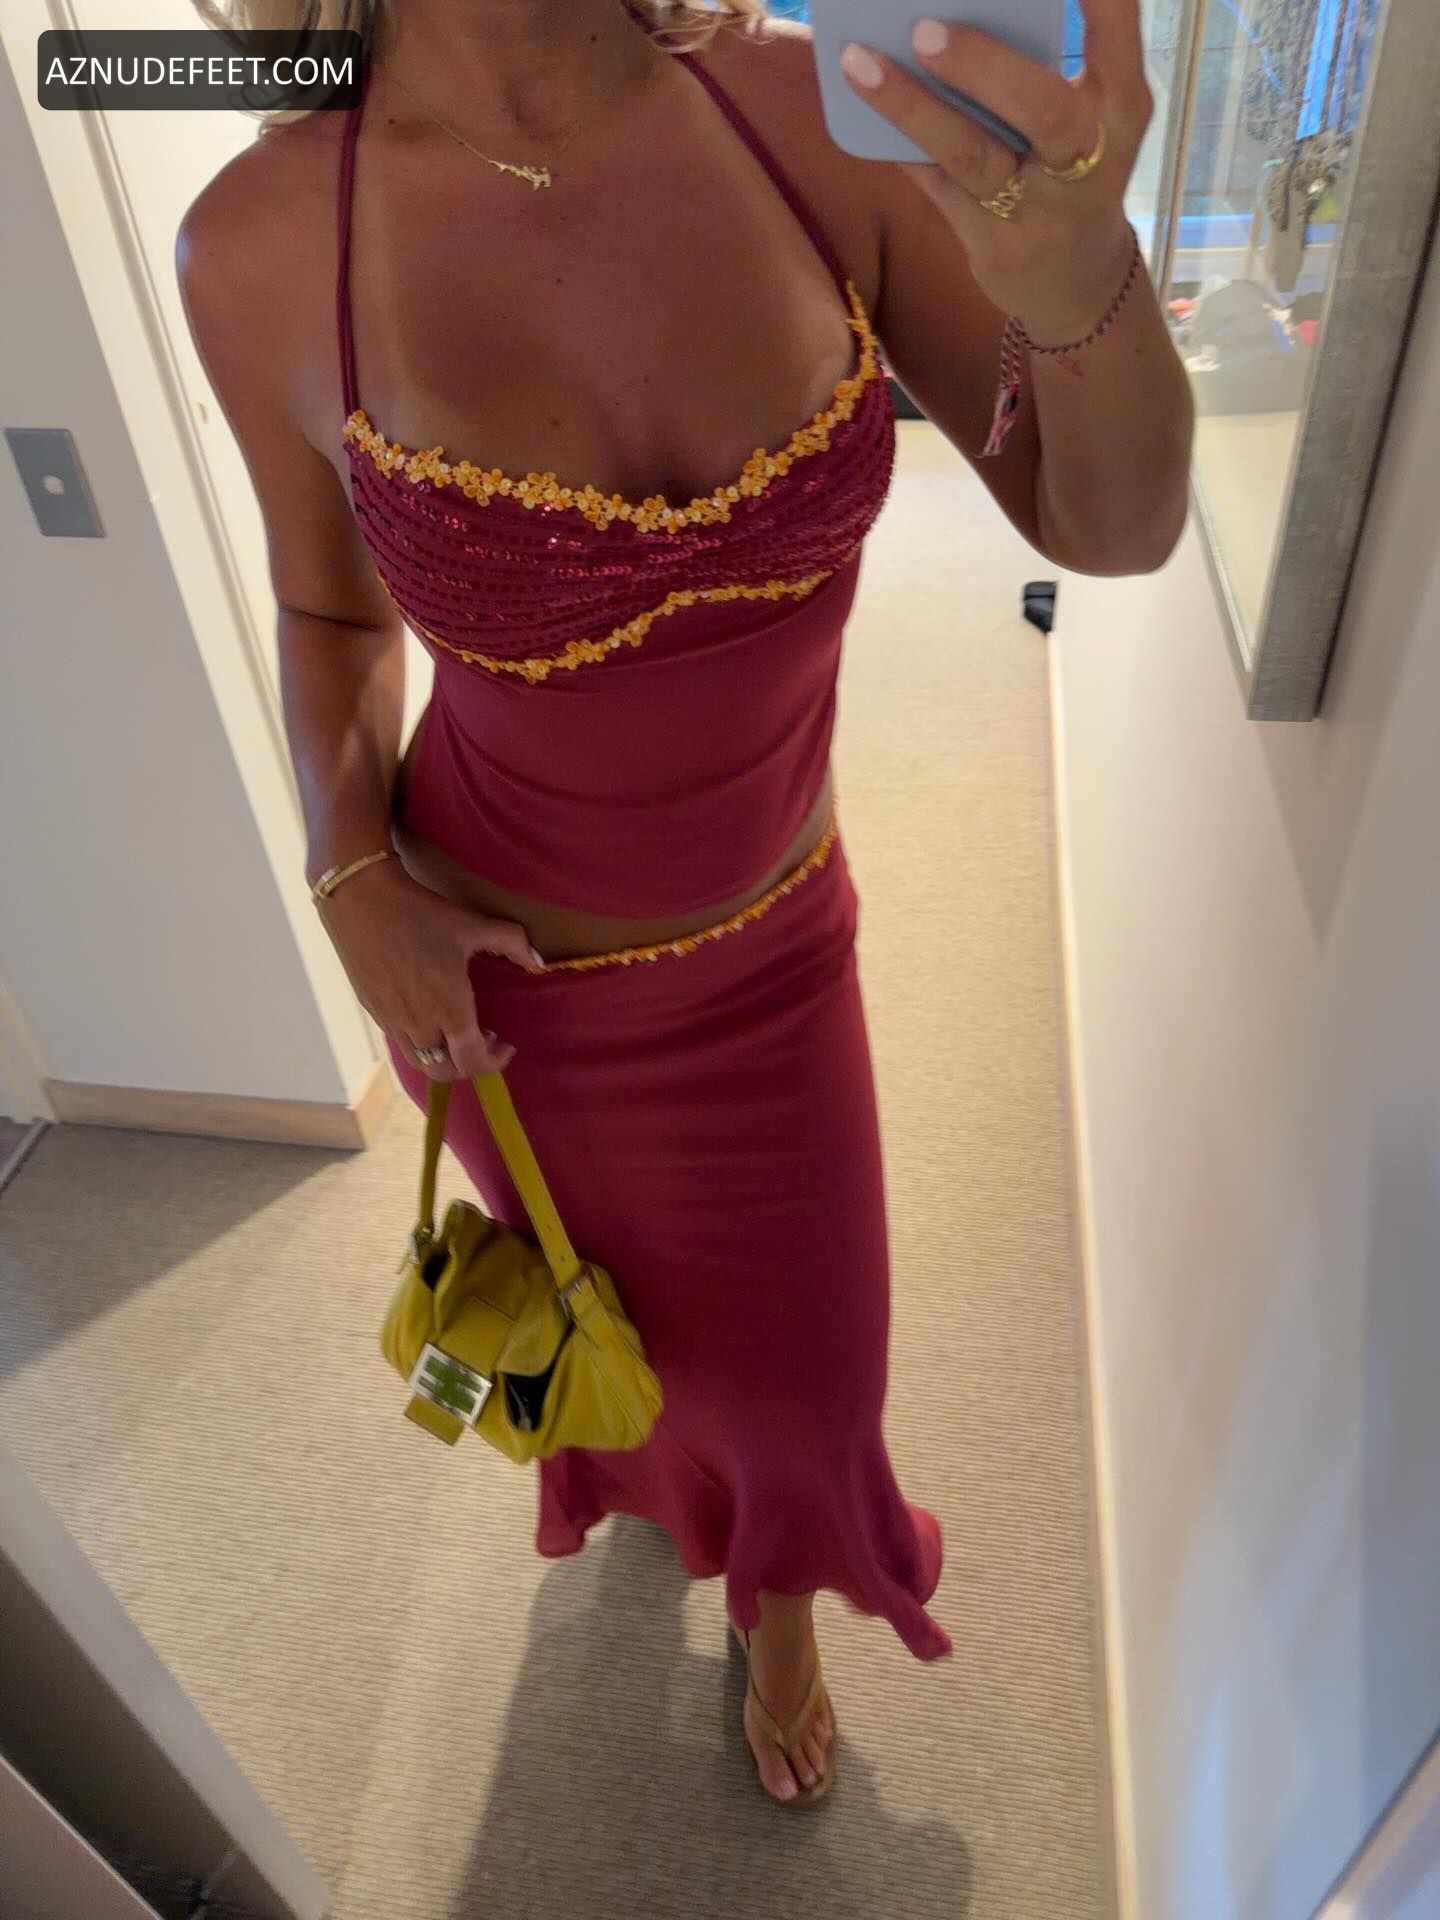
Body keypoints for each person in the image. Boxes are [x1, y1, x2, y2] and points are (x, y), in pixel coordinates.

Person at [179, 0, 1191, 1810]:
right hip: (503, 1001)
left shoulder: (812, 111)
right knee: (624, 1334)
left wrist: (1079, 276)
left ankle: (777, 1596)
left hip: (771, 942)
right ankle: (706, 1524)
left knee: (814, 1379)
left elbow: (1110, 527)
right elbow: (330, 611)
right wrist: (349, 880)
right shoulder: (261, 242)